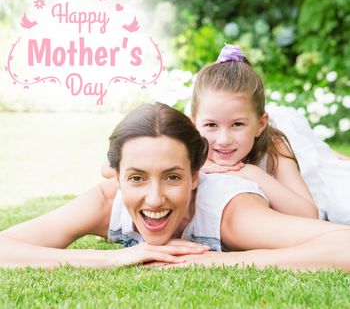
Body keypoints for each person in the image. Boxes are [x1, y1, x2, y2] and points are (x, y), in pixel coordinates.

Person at [1, 102, 350, 271]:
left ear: (196, 176)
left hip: (298, 183)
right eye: (137, 178)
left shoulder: (230, 213)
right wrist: (118, 258)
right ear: (117, 175)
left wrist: (212, 263)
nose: (154, 199)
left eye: (173, 177)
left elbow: (342, 244)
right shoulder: (108, 201)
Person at [191, 44, 350, 224]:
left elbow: (308, 214)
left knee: (333, 169)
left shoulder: (275, 146)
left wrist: (252, 173)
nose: (224, 140)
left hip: (297, 150)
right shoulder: (186, 147)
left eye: (237, 124)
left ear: (260, 125)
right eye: (211, 124)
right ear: (194, 124)